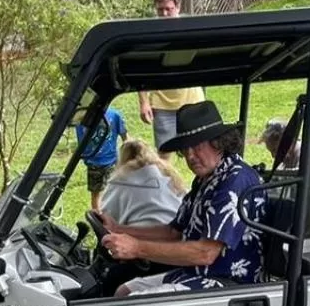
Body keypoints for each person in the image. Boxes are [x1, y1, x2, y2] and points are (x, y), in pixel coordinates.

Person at [100, 101, 265, 294]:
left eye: (196, 147)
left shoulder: (234, 181)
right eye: (186, 150)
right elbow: (173, 232)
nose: (190, 156)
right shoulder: (205, 180)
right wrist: (119, 229)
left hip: (226, 281)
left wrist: (137, 248)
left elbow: (205, 253)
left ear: (219, 142)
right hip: (197, 273)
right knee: (124, 291)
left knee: (134, 300)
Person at [137, 0, 205, 149]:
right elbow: (140, 68)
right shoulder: (147, 33)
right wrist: (143, 102)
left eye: (169, 9)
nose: (165, 14)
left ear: (178, 7)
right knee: (165, 154)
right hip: (162, 105)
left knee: (200, 150)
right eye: (160, 10)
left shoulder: (190, 29)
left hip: (192, 102)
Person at [259, 117, 310, 237]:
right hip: (301, 229)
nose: (274, 156)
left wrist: (270, 173)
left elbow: (301, 174)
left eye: (275, 150)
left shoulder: (309, 154)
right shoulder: (286, 162)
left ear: (288, 142)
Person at [98, 138, 186, 226]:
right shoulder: (170, 178)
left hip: (140, 234)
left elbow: (107, 218)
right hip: (178, 233)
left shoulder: (119, 183)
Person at [74, 103, 127, 210]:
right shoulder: (82, 117)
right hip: (95, 163)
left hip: (112, 161)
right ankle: (99, 220)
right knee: (97, 194)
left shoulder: (114, 115)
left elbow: (126, 138)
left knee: (111, 191)